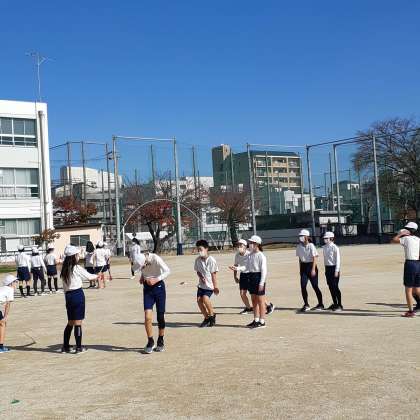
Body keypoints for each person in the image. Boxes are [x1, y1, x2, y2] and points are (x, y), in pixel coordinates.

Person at [60, 244, 97, 353]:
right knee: (78, 322)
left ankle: (65, 346)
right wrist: (98, 275)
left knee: (70, 322)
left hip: (68, 296)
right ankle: (79, 347)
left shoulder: (64, 269)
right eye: (77, 255)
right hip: (77, 294)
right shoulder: (76, 268)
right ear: (73, 256)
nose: (78, 256)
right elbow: (89, 276)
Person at [132, 251, 170, 354]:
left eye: (142, 267)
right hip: (147, 290)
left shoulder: (155, 258)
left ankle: (160, 340)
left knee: (160, 316)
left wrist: (156, 279)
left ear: (145, 261)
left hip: (159, 288)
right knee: (147, 316)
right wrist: (142, 276)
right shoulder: (141, 260)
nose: (142, 268)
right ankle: (150, 341)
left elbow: (167, 271)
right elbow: (144, 270)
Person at [391, 222, 420, 318]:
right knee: (417, 289)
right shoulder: (418, 239)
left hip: (410, 264)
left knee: (408, 290)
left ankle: (410, 312)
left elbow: (393, 240)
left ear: (408, 230)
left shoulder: (406, 239)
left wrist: (400, 234)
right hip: (418, 264)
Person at [296, 229, 324, 312]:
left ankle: (320, 304)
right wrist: (300, 269)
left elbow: (315, 257)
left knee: (315, 286)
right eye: (300, 236)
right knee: (303, 286)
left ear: (306, 237)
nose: (300, 237)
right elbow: (300, 259)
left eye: (302, 236)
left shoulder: (311, 245)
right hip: (303, 267)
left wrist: (313, 269)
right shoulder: (299, 246)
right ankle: (306, 304)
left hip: (311, 266)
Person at [195, 239, 219, 328]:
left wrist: (215, 287)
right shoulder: (197, 260)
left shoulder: (211, 260)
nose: (199, 251)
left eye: (201, 249)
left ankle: (212, 316)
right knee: (199, 301)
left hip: (209, 285)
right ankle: (206, 318)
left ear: (206, 249)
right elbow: (197, 271)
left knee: (205, 298)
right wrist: (201, 277)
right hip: (201, 285)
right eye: (198, 250)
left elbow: (214, 274)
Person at [245, 235, 268, 329]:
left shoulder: (261, 255)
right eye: (250, 243)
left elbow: (264, 271)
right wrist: (237, 268)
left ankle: (262, 321)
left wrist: (261, 283)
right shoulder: (250, 255)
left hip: (258, 277)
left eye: (252, 243)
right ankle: (256, 319)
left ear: (257, 244)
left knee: (260, 301)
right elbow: (246, 267)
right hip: (251, 277)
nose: (250, 244)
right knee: (254, 300)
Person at [229, 239, 253, 314]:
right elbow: (235, 265)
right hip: (243, 275)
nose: (239, 247)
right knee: (242, 294)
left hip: (250, 275)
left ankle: (268, 306)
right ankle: (249, 308)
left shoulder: (249, 254)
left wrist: (237, 268)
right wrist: (235, 276)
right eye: (238, 245)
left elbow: (247, 267)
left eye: (241, 245)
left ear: (245, 246)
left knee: (255, 294)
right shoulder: (237, 255)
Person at [322, 232, 343, 311]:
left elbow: (338, 260)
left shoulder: (335, 247)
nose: (325, 240)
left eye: (326, 238)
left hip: (334, 268)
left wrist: (337, 270)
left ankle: (340, 305)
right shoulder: (324, 247)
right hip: (327, 268)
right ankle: (335, 303)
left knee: (335, 286)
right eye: (324, 238)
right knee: (330, 287)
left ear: (331, 238)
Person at [0, 275, 18, 353]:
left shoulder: (2, 288)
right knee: (3, 324)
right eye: (15, 282)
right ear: (10, 283)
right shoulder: (10, 289)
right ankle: (0, 347)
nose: (16, 283)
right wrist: (5, 316)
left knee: (1, 323)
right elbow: (8, 304)